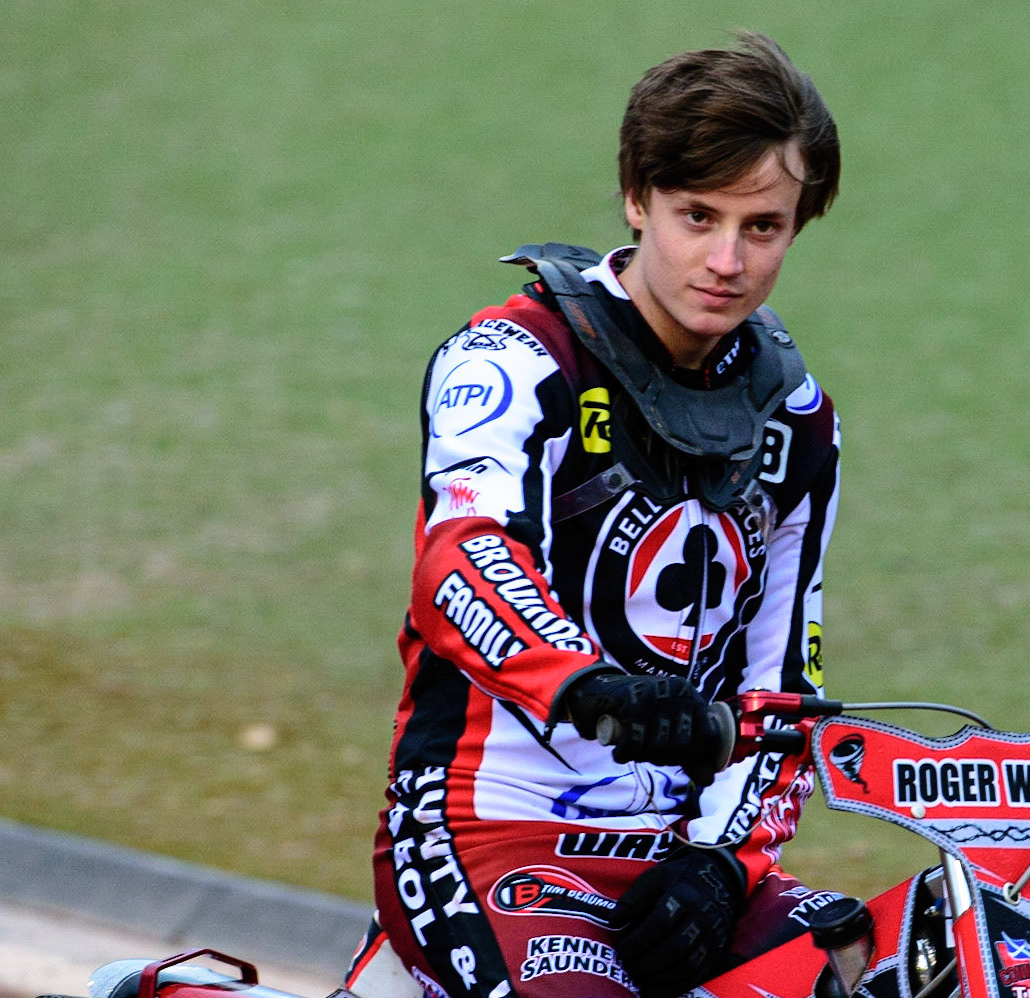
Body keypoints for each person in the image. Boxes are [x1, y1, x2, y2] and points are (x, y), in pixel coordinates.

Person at [343, 31, 845, 998]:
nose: (727, 261)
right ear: (636, 198)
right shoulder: (514, 358)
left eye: (763, 227)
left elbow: (784, 678)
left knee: (887, 958)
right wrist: (591, 688)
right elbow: (461, 563)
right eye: (697, 216)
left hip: (677, 847)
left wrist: (722, 862)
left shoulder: (798, 418)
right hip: (485, 826)